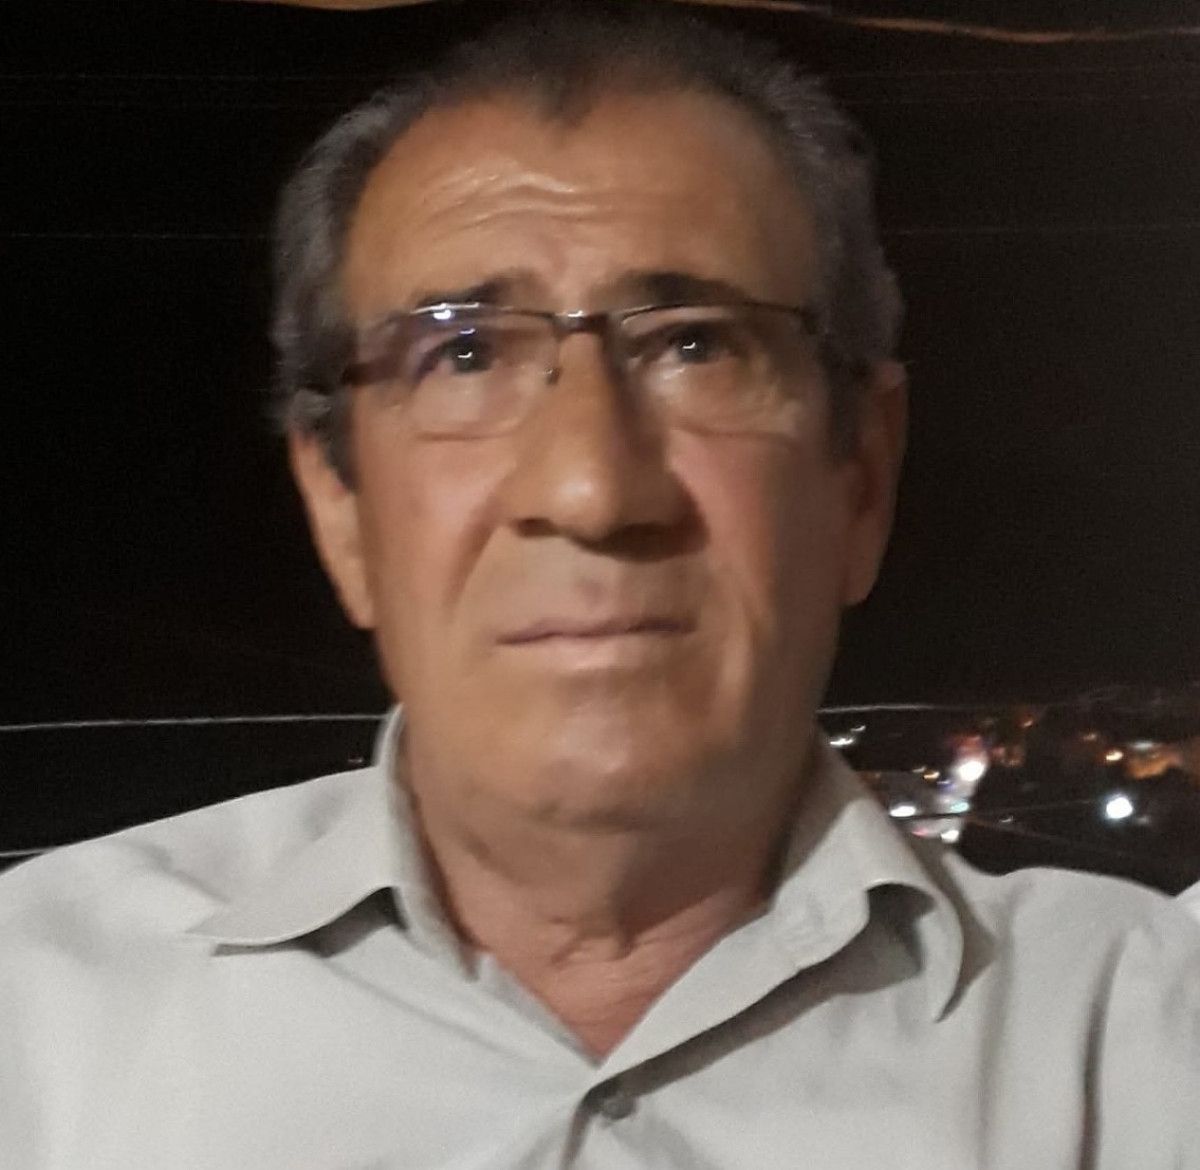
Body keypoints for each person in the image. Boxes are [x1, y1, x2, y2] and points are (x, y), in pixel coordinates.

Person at [2, 5, 1198, 1167]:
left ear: (863, 478)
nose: (590, 488)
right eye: (464, 354)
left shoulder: (1136, 1046)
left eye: (696, 343)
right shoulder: (40, 1024)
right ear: (340, 507)